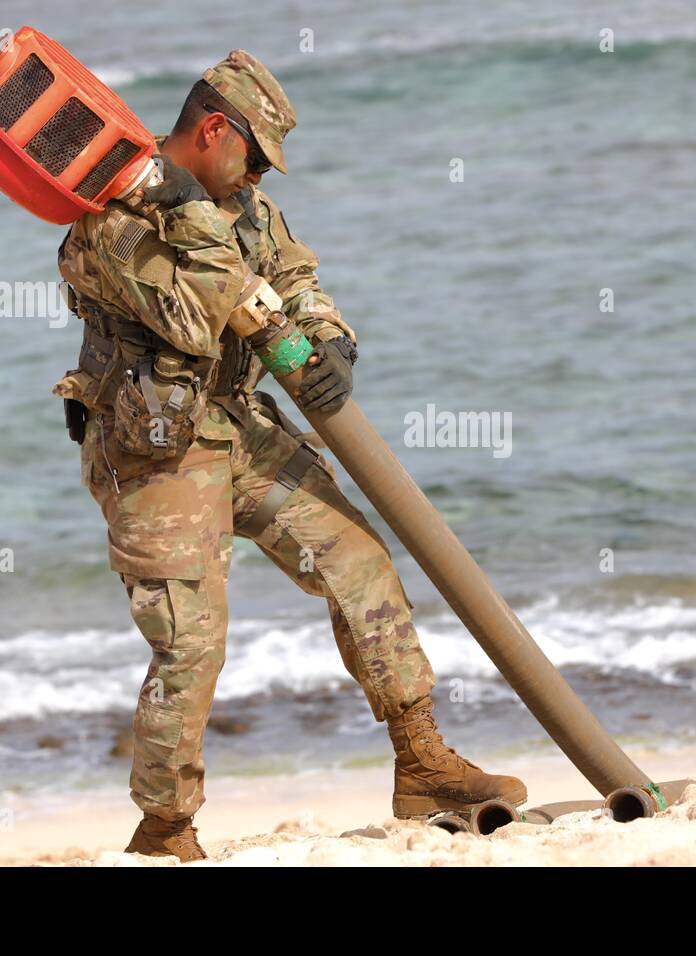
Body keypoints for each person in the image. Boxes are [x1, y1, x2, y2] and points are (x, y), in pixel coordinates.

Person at [54, 50, 526, 861]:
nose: (260, 176)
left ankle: (421, 765)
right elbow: (200, 316)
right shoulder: (112, 220)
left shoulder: (246, 207)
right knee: (191, 639)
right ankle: (165, 830)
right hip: (157, 452)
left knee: (360, 560)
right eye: (255, 155)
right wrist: (183, 204)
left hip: (238, 428)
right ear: (212, 130)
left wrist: (329, 334)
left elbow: (290, 274)